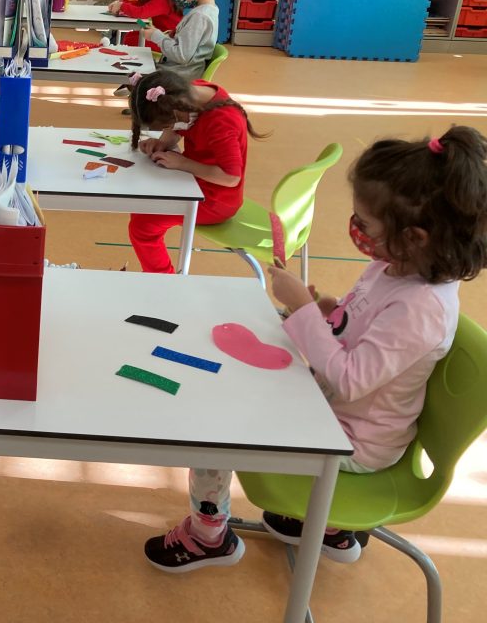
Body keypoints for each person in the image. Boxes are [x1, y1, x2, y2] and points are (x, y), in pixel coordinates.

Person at [144, 126, 487, 573]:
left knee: (215, 426)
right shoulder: (395, 267)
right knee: (238, 379)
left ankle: (208, 536)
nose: (357, 230)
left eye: (366, 224)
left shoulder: (421, 308)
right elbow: (364, 330)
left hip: (351, 441)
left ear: (414, 237)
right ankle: (322, 526)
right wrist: (329, 310)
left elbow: (350, 380)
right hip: (337, 413)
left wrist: (304, 311)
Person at [128, 69, 265, 274]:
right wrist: (162, 143)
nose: (170, 127)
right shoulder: (190, 93)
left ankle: (164, 280)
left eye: (169, 123)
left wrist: (183, 163)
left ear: (177, 110)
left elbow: (231, 177)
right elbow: (177, 128)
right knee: (143, 199)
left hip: (215, 201)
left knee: (143, 224)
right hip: (195, 183)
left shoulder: (222, 121)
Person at [140, 0, 219, 79]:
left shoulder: (200, 17)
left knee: (133, 72)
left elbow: (182, 55)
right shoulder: (208, 10)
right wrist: (174, 35)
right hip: (176, 71)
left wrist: (156, 36)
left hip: (178, 77)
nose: (177, 0)